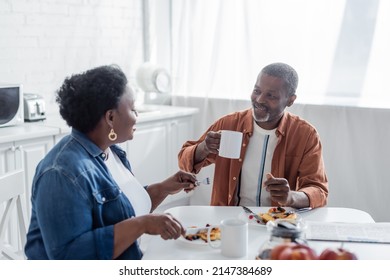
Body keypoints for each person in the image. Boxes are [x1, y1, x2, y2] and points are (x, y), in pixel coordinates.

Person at [25, 65, 197, 260]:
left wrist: (163, 188)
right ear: (110, 117)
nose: (137, 115)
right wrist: (142, 225)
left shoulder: (110, 151)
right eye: (132, 108)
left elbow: (121, 210)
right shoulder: (61, 174)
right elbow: (69, 258)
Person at [178, 62, 328, 209]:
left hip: (277, 222)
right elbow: (184, 161)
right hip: (229, 221)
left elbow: (318, 190)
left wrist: (291, 197)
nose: (260, 99)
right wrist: (204, 147)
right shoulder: (229, 124)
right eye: (257, 91)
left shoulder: (305, 135)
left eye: (271, 95)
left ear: (290, 100)